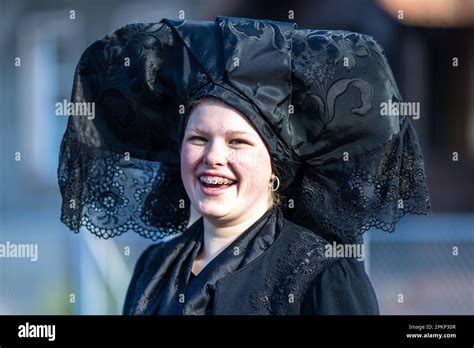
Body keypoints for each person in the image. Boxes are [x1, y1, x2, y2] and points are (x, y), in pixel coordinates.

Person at [58, 16, 432, 315]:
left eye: (237, 141)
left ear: (275, 166)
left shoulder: (322, 273)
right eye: (198, 139)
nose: (213, 157)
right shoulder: (154, 268)